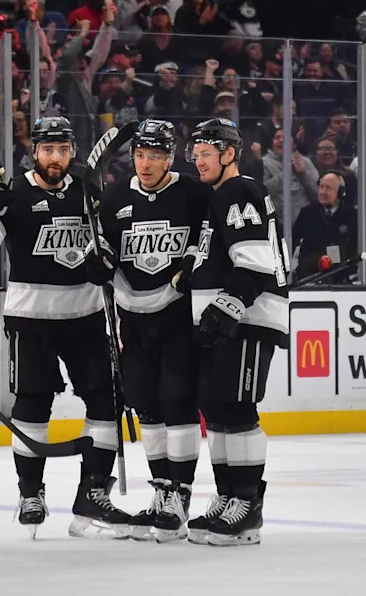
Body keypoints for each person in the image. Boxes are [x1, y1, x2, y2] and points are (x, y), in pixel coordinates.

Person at [0, 116, 131, 539]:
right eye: (48, 149)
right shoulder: (14, 193)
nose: (55, 157)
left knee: (106, 402)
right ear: (34, 152)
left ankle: (93, 493)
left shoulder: (89, 191)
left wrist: (105, 261)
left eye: (63, 149)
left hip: (86, 316)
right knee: (33, 404)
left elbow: (108, 243)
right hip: (30, 319)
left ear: (73, 152)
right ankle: (30, 493)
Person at [91, 119, 211, 542]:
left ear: (170, 158)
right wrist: (100, 262)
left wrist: (189, 269)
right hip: (133, 318)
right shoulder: (116, 198)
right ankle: (162, 491)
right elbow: (104, 246)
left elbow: (208, 239)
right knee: (146, 406)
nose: (145, 164)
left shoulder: (194, 195)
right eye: (140, 155)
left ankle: (181, 493)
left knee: (177, 403)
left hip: (177, 317)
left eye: (155, 156)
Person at [180, 117, 290, 546]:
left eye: (207, 153)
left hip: (248, 317)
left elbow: (257, 263)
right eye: (196, 154)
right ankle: (228, 497)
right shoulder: (219, 196)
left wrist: (228, 306)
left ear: (229, 154)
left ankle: (247, 504)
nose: (199, 161)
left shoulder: (238, 190)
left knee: (238, 408)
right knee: (218, 409)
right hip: (228, 316)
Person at [291, 170, 358, 278]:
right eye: (321, 187)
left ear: (341, 192)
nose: (323, 192)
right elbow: (294, 243)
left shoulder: (352, 216)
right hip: (310, 278)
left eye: (328, 188)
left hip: (343, 278)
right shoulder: (306, 214)